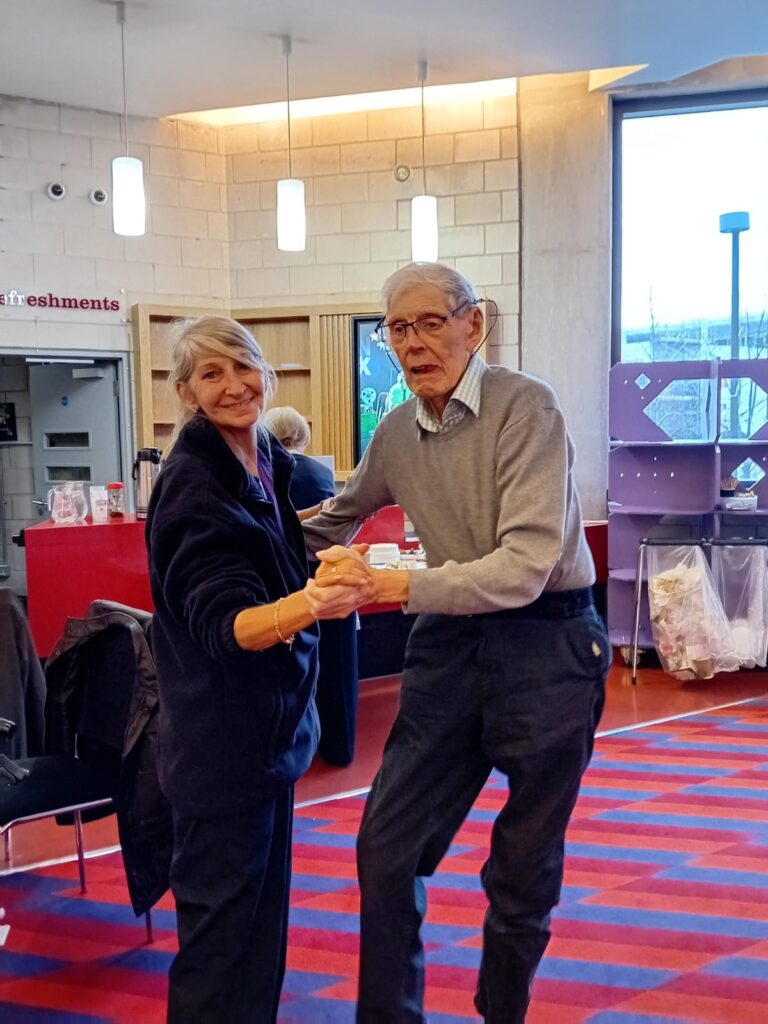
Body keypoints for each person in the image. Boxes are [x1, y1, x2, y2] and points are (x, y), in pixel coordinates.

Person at [303, 262, 611, 1023]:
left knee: (521, 869)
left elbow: (524, 569)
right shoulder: (397, 433)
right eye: (398, 329)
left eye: (430, 322)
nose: (413, 343)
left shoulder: (526, 407)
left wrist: (393, 587)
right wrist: (222, 535)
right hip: (448, 644)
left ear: (475, 326)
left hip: (549, 647)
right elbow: (332, 519)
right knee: (385, 849)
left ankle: (500, 1013)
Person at [145, 316, 367, 1023]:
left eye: (245, 366)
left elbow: (278, 543)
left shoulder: (263, 457)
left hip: (269, 744)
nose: (235, 384)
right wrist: (313, 603)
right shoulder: (192, 484)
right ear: (185, 393)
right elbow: (224, 627)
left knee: (258, 940)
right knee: (218, 950)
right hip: (220, 753)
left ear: (268, 374)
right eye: (212, 374)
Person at [263, 405, 359, 767]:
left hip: (287, 584)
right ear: (302, 436)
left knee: (295, 670)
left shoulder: (266, 473)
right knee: (339, 668)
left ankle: (294, 750)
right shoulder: (320, 471)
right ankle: (339, 749)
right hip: (333, 573)